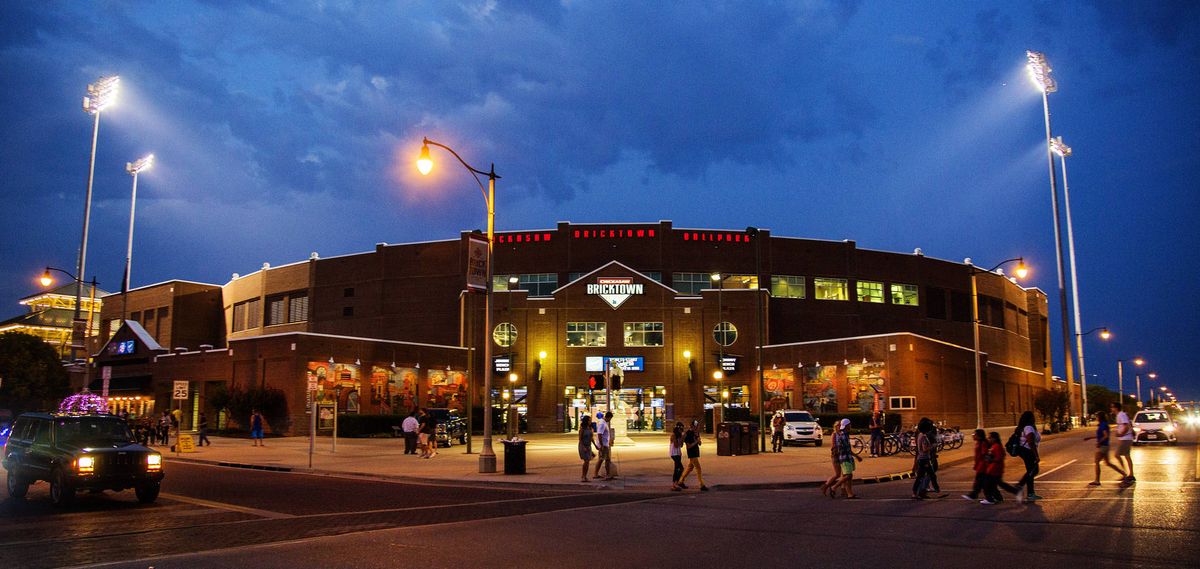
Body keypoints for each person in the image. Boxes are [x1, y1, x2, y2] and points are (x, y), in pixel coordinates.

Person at [1084, 410, 1128, 486]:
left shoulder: (1103, 425)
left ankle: (1097, 480)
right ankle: (1123, 473)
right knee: (1108, 463)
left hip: (1103, 446)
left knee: (1097, 461)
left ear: (1100, 417)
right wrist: (1090, 438)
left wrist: (1099, 442)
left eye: (1097, 416)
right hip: (1105, 446)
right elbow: (1100, 435)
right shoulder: (1102, 424)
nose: (1096, 418)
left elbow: (1105, 436)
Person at [1010, 411, 1041, 502]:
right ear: (1030, 418)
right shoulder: (1028, 428)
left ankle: (1029, 492)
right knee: (1033, 470)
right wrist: (1036, 455)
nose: (1034, 418)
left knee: (1031, 471)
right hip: (1027, 451)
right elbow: (1031, 442)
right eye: (1032, 417)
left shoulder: (1026, 427)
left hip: (1026, 451)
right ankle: (1021, 486)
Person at [829, 418, 863, 498]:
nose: (850, 426)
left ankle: (850, 494)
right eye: (849, 425)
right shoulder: (843, 435)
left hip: (847, 457)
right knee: (848, 476)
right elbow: (846, 449)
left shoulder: (845, 434)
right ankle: (834, 487)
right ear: (847, 426)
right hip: (845, 458)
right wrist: (856, 456)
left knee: (849, 477)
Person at [676, 419, 708, 491]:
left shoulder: (696, 433)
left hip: (696, 452)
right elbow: (688, 446)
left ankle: (680, 481)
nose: (697, 427)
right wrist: (696, 441)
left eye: (697, 426)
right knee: (698, 468)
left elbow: (699, 443)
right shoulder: (688, 434)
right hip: (692, 453)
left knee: (690, 467)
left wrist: (699, 440)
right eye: (696, 426)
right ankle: (701, 484)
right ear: (692, 426)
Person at [980, 432, 1010, 505]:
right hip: (992, 469)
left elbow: (999, 457)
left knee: (986, 485)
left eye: (990, 438)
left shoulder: (997, 446)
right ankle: (998, 497)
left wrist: (991, 459)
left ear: (994, 438)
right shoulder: (993, 446)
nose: (988, 439)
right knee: (993, 485)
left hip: (994, 469)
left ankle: (990, 499)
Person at [1111, 402, 1136, 484]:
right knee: (1127, 456)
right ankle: (1130, 474)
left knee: (1117, 455)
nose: (1111, 409)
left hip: (1125, 438)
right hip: (1125, 438)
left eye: (1112, 407)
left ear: (1116, 408)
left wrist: (1121, 434)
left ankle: (1126, 473)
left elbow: (1126, 426)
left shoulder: (1121, 415)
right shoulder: (1120, 415)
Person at [912, 418, 935, 499]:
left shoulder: (920, 435)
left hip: (922, 458)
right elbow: (924, 449)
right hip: (924, 459)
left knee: (922, 475)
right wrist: (932, 446)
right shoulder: (923, 436)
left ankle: (920, 491)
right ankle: (919, 492)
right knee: (923, 475)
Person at [962, 429, 988, 501]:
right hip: (980, 464)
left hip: (982, 465)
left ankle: (974, 495)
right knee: (983, 482)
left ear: (979, 436)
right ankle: (995, 496)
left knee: (979, 481)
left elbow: (984, 454)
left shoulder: (983, 443)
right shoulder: (978, 443)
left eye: (974, 434)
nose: (973, 436)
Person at [820, 420, 844, 497]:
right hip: (836, 455)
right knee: (837, 474)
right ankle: (826, 486)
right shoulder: (834, 434)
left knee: (844, 474)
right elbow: (833, 445)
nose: (839, 427)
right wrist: (839, 448)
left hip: (842, 455)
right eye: (838, 425)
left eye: (840, 425)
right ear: (835, 427)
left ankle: (843, 490)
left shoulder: (842, 434)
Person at [592, 411, 614, 480]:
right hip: (603, 445)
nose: (610, 420)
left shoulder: (603, 422)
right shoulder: (602, 423)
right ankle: (597, 474)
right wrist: (601, 445)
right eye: (610, 419)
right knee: (602, 459)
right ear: (609, 417)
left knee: (606, 459)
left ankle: (607, 474)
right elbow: (599, 434)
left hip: (605, 444)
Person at [578, 415, 597, 482]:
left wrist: (595, 445)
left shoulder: (590, 428)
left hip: (589, 446)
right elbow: (580, 439)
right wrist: (583, 447)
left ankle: (584, 476)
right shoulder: (582, 429)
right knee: (586, 461)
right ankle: (583, 476)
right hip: (583, 446)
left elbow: (591, 438)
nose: (590, 421)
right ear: (586, 421)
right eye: (589, 420)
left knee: (587, 461)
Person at [669, 422, 687, 490]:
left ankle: (676, 483)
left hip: (678, 453)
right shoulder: (673, 435)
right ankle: (675, 484)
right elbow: (676, 445)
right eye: (680, 429)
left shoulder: (679, 435)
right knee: (679, 468)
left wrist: (682, 438)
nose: (681, 431)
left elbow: (681, 445)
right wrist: (682, 438)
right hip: (674, 454)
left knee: (678, 468)